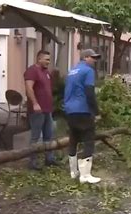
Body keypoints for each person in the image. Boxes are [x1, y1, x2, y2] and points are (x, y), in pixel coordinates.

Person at [63, 49, 101, 184]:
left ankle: (74, 172)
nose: (95, 61)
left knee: (73, 138)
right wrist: (96, 112)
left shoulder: (72, 71)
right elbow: (89, 92)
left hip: (70, 109)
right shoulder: (88, 71)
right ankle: (85, 175)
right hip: (83, 109)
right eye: (93, 58)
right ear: (85, 57)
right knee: (88, 139)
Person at [24, 50, 59, 170]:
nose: (49, 62)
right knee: (35, 136)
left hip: (47, 109)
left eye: (49, 59)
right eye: (47, 59)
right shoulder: (32, 71)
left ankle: (49, 159)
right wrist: (35, 103)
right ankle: (32, 162)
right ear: (39, 59)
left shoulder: (46, 72)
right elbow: (29, 88)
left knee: (48, 135)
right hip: (37, 110)